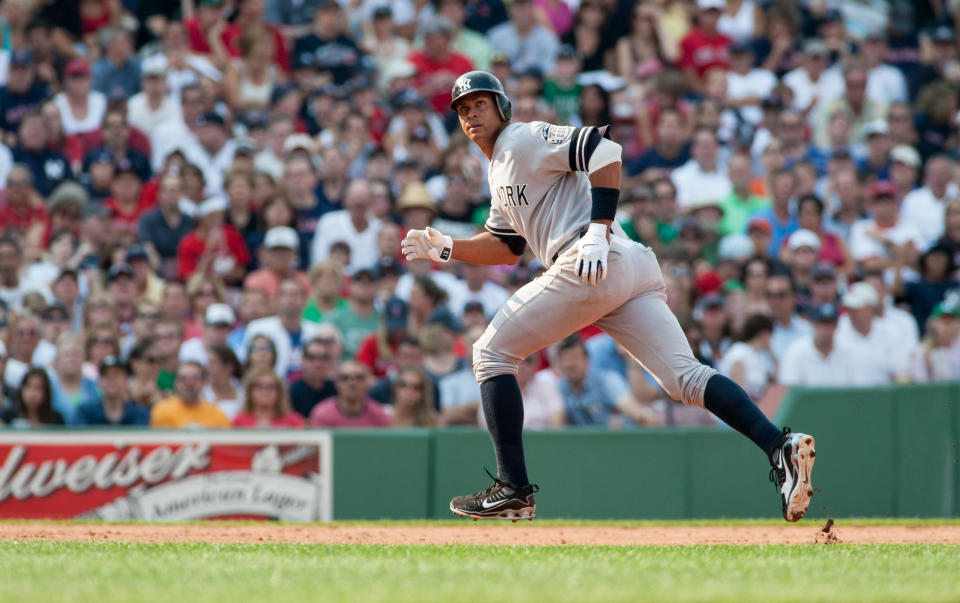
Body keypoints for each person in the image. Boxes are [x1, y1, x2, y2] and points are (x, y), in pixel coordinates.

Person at [403, 71, 816, 522]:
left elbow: (606, 151)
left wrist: (598, 231)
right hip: (624, 263)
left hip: (591, 254)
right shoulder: (498, 165)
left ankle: (513, 488)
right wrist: (446, 247)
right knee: (685, 378)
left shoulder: (522, 138)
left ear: (501, 106)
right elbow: (506, 246)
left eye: (479, 103)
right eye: (463, 109)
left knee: (489, 354)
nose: (471, 114)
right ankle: (780, 446)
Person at [308, 360, 391, 428]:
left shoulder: (379, 415)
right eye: (345, 378)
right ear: (337, 383)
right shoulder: (322, 414)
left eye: (359, 378)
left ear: (367, 382)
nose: (352, 383)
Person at [150, 361, 231, 428]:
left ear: (203, 382)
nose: (189, 383)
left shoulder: (217, 414)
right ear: (176, 382)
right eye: (183, 378)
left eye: (195, 378)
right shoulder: (162, 410)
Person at [76, 356, 150, 426]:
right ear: (99, 381)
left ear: (126, 381)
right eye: (106, 375)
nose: (111, 379)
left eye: (116, 374)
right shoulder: (85, 412)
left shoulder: (140, 414)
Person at [233, 367, 305, 427]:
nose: (265, 391)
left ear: (280, 391)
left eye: (271, 386)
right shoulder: (239, 421)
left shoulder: (293, 421)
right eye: (259, 386)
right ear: (249, 391)